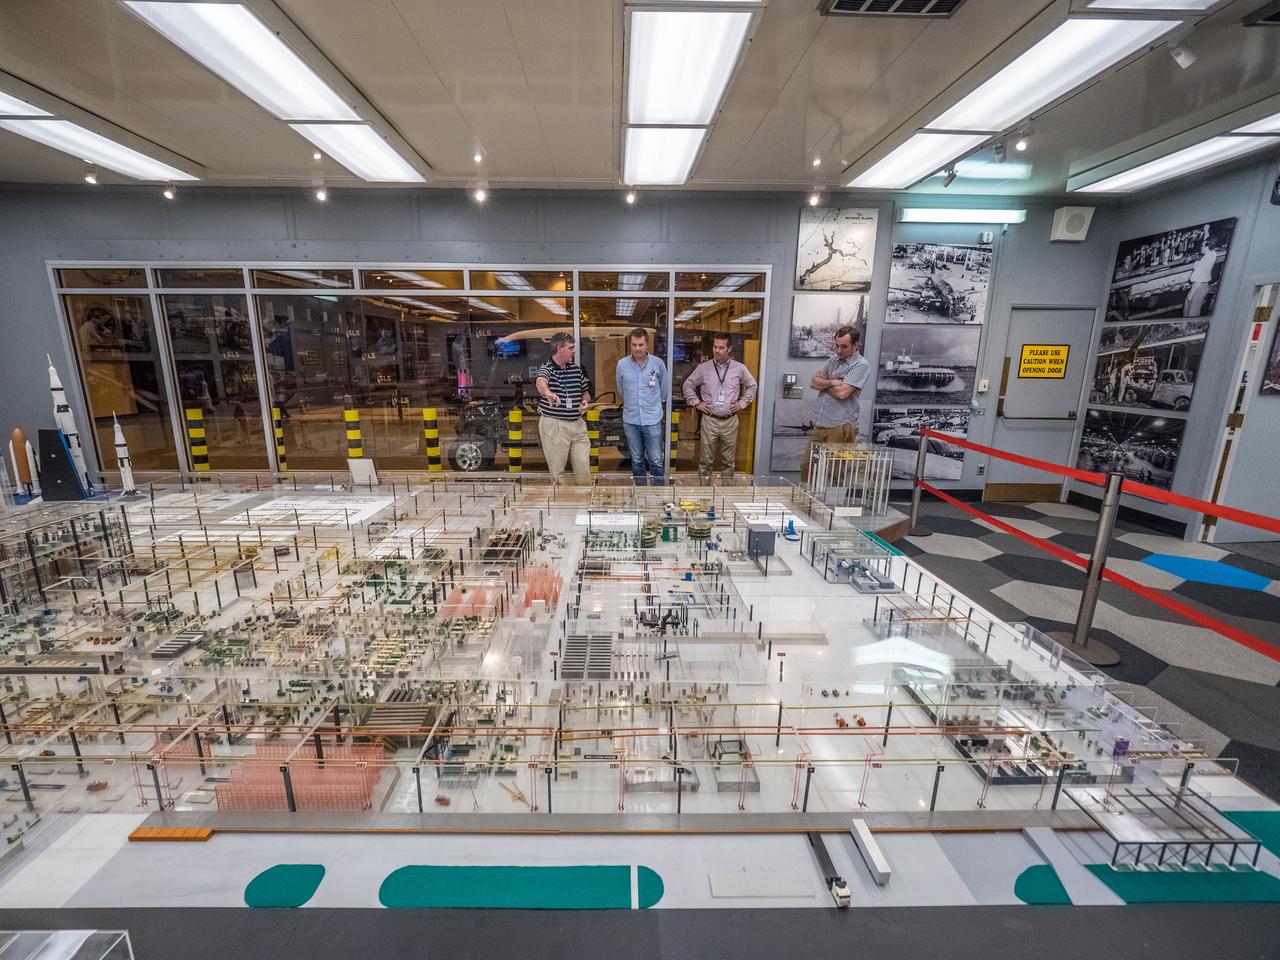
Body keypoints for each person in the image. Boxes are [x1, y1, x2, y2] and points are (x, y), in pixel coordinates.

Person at [682, 332, 757, 484]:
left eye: (721, 347)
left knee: (728, 462)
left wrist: (742, 403)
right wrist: (697, 403)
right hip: (710, 420)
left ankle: (726, 495)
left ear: (729, 349)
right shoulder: (703, 368)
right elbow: (688, 386)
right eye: (715, 347)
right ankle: (705, 494)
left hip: (730, 421)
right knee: (705, 462)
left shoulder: (739, 368)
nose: (717, 350)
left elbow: (752, 386)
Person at [802, 325, 870, 483]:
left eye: (844, 347)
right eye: (837, 346)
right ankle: (808, 503)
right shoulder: (832, 360)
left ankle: (833, 505)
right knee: (807, 465)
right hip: (820, 423)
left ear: (856, 345)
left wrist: (824, 385)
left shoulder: (861, 365)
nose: (839, 350)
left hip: (840, 425)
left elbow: (842, 393)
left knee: (835, 471)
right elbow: (813, 383)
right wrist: (833, 382)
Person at [535, 331, 591, 483]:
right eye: (570, 348)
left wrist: (585, 401)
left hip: (577, 424)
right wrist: (548, 393)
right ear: (560, 348)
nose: (573, 351)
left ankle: (585, 502)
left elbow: (585, 392)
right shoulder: (547, 368)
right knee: (558, 472)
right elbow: (540, 382)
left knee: (583, 466)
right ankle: (562, 504)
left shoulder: (576, 369)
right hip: (555, 425)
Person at [615, 327, 667, 485]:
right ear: (630, 344)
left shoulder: (658, 364)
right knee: (636, 460)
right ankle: (641, 494)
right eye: (634, 344)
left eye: (641, 344)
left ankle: (658, 496)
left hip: (652, 420)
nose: (637, 348)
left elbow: (664, 391)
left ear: (647, 344)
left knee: (656, 460)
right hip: (631, 420)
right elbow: (621, 389)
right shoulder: (622, 365)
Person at [1183, 243, 1216, 317]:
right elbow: (1199, 257)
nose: (1201, 247)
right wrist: (1192, 258)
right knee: (1188, 304)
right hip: (1201, 285)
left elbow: (1192, 279)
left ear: (1207, 247)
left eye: (1203, 245)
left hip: (1199, 286)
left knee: (1192, 312)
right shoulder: (1212, 254)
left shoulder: (1203, 261)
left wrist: (1193, 260)